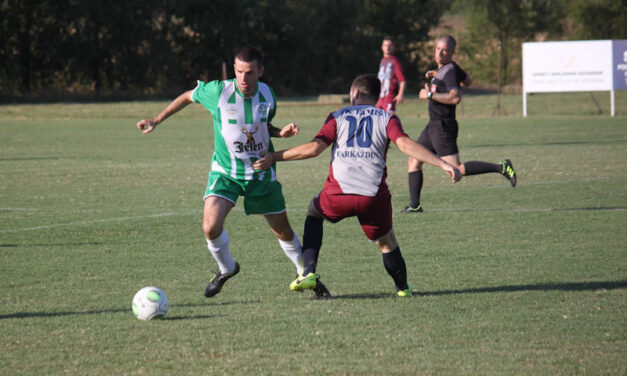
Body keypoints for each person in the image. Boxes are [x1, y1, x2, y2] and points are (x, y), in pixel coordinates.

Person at [136, 46, 330, 298]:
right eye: (239, 71)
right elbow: (187, 96)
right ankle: (226, 268)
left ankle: (306, 275)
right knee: (210, 227)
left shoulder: (268, 94)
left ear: (260, 71)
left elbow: (262, 125)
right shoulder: (218, 92)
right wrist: (157, 119)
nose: (243, 78)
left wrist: (280, 132)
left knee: (282, 230)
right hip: (226, 173)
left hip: (261, 173)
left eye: (249, 72)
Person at [253, 74, 461, 297]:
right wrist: (441, 163)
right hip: (372, 197)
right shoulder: (387, 118)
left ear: (355, 93)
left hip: (337, 194)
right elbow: (405, 144)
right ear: (376, 96)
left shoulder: (338, 116)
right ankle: (403, 289)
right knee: (387, 242)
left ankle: (309, 272)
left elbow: (314, 149)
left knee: (314, 213)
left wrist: (275, 156)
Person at [401, 35, 517, 213]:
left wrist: (430, 95)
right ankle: (415, 205)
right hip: (433, 125)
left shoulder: (450, 71)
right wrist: (438, 76)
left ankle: (501, 167)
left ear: (452, 52)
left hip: (443, 127)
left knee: (456, 169)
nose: (440, 53)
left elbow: (455, 97)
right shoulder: (448, 69)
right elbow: (468, 80)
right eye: (437, 49)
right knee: (414, 160)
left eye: (445, 50)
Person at [376, 36, 406, 113]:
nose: (387, 48)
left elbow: (402, 80)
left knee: (388, 119)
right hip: (381, 96)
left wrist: (400, 94)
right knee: (377, 118)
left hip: (390, 95)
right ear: (382, 47)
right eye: (385, 45)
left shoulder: (394, 61)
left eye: (390, 45)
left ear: (393, 47)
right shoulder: (382, 61)